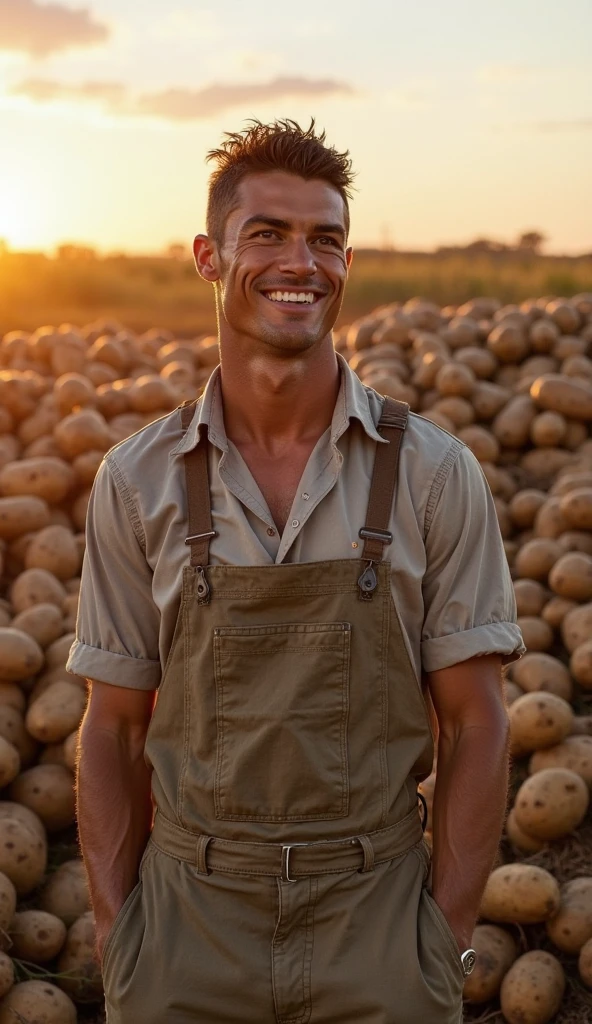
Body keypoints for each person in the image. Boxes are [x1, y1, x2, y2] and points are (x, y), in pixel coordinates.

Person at [69, 118, 525, 1024]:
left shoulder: (434, 474)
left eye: (325, 239)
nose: (300, 263)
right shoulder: (137, 480)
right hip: (186, 932)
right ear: (209, 257)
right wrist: (121, 938)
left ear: (347, 262)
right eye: (268, 234)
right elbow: (113, 726)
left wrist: (442, 942)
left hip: (377, 924)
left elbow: (476, 721)